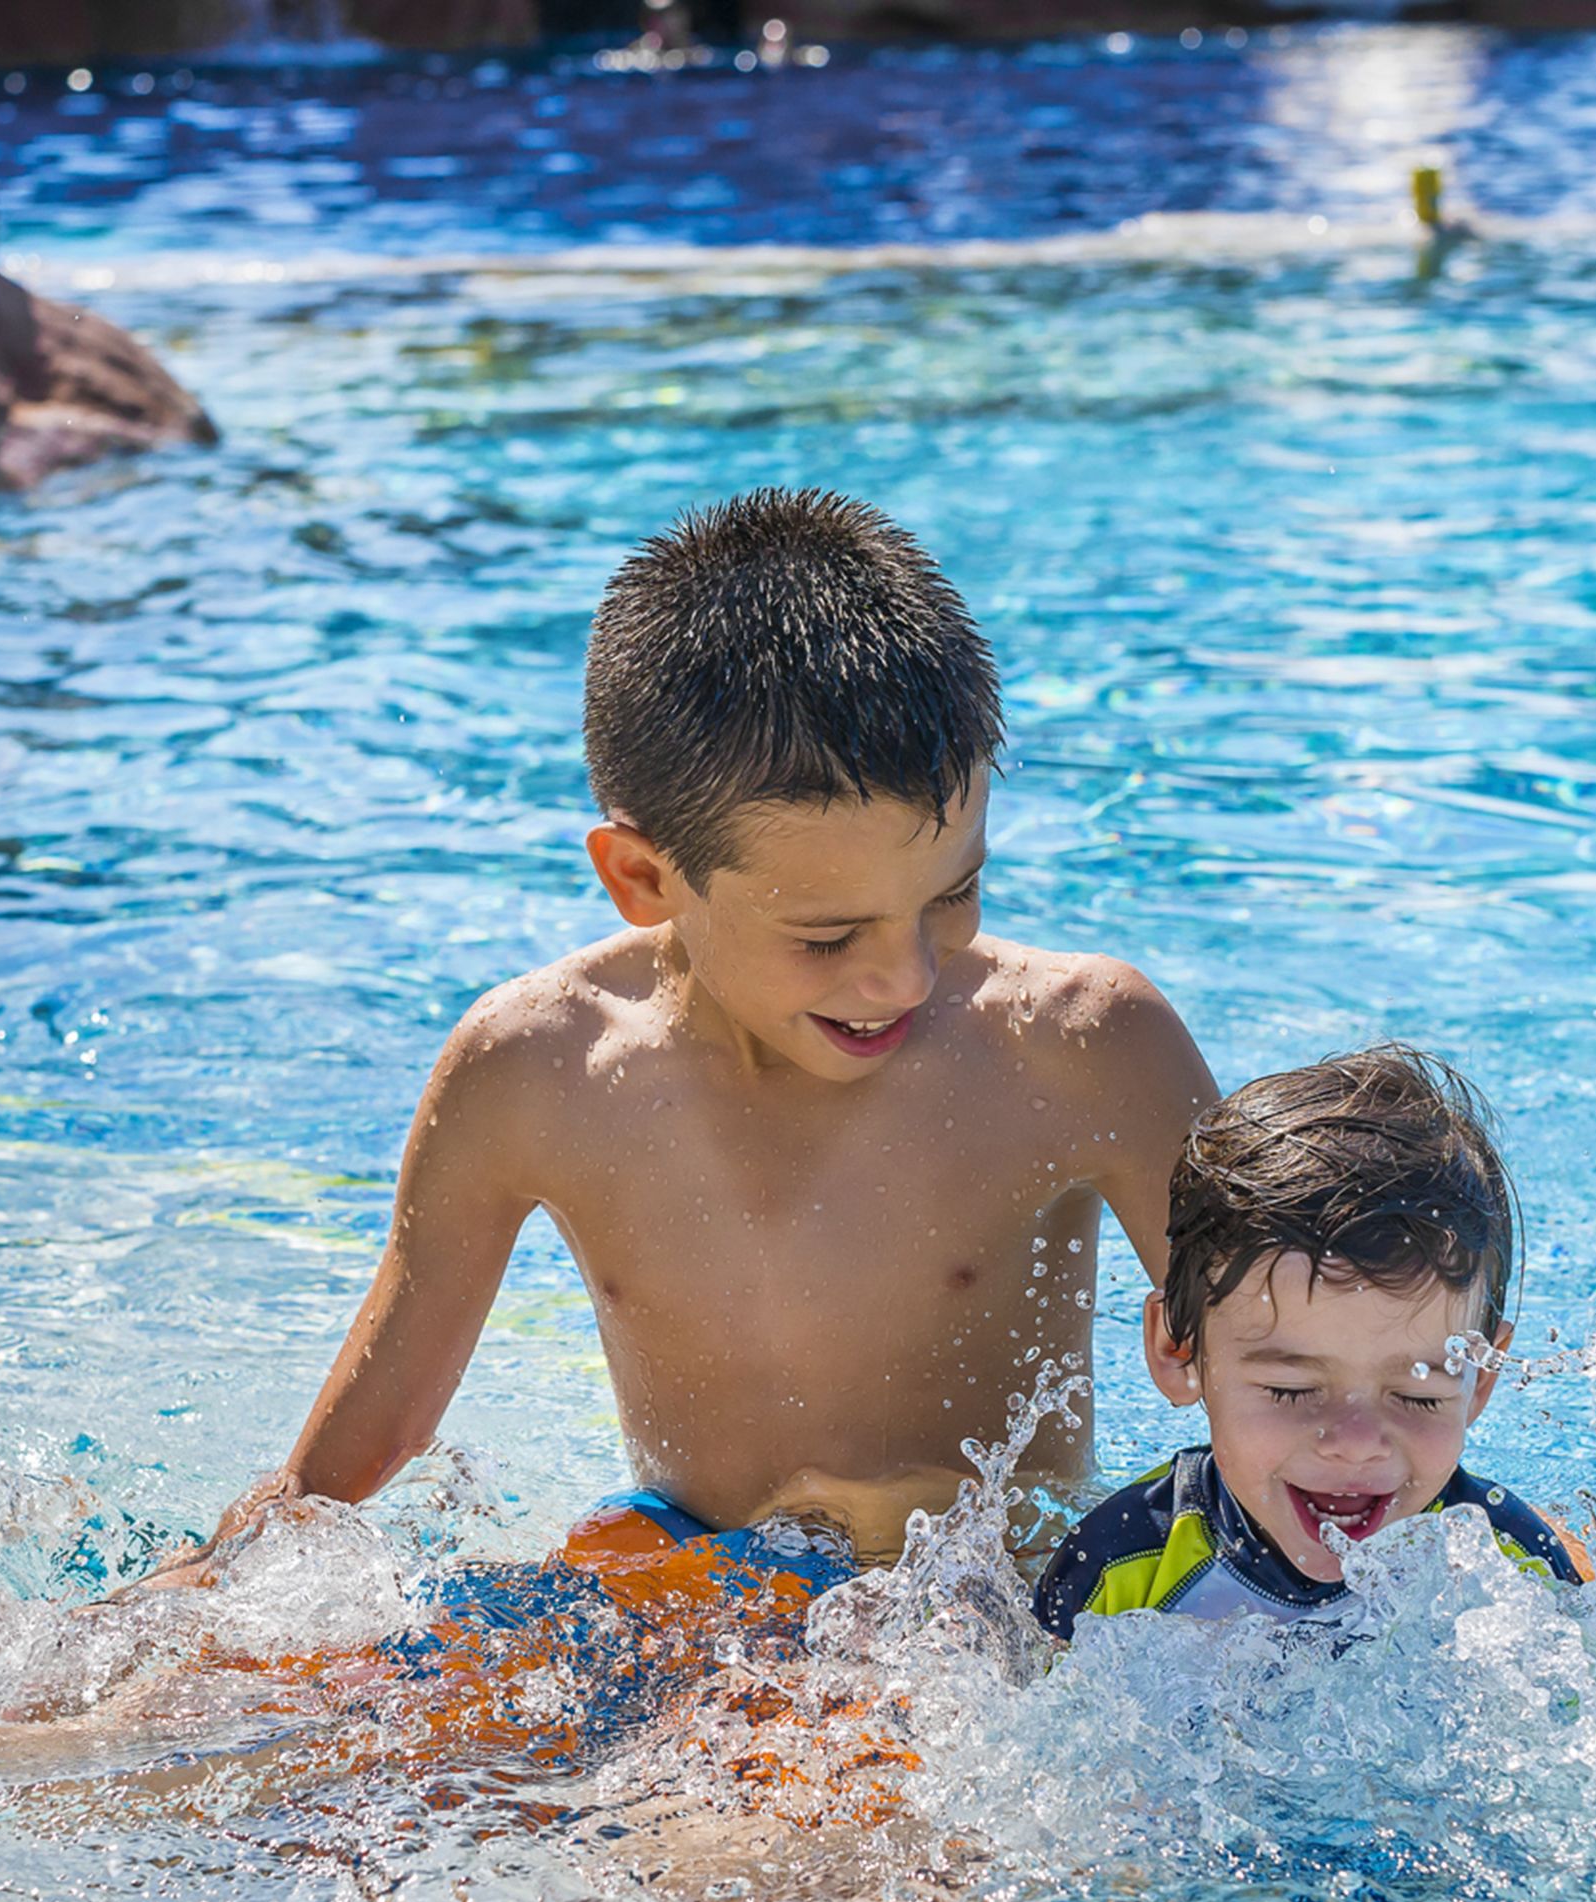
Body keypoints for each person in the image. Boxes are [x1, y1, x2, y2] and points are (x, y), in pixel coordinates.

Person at [150, 487, 1219, 1590]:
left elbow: (1303, 1370)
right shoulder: (536, 1072)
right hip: (701, 1609)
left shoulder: (1082, 1051)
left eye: (957, 892)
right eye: (827, 934)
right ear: (645, 878)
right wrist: (165, 1609)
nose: (904, 974)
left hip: (991, 1622)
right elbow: (351, 1464)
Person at [1032, 1048, 1586, 1639]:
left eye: (1416, 1395)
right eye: (1291, 1390)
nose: (1355, 1446)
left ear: (1481, 1379)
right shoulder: (1120, 1565)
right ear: (1178, 1349)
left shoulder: (1508, 1568)